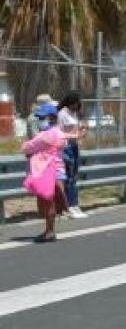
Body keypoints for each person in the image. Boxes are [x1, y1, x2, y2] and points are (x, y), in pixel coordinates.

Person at [21, 103, 69, 242]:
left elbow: (26, 148)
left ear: (51, 117)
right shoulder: (60, 133)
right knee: (52, 203)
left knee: (47, 203)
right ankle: (50, 230)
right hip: (59, 171)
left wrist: (34, 150)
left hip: (47, 171)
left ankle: (49, 232)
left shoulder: (45, 135)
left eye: (42, 117)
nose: (40, 120)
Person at [57, 92, 88, 219]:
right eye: (76, 103)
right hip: (66, 147)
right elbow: (59, 134)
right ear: (71, 102)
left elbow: (76, 128)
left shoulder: (74, 113)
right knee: (69, 177)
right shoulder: (62, 114)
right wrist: (75, 135)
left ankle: (75, 205)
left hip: (74, 146)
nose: (78, 105)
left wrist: (83, 128)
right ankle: (69, 206)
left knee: (74, 176)